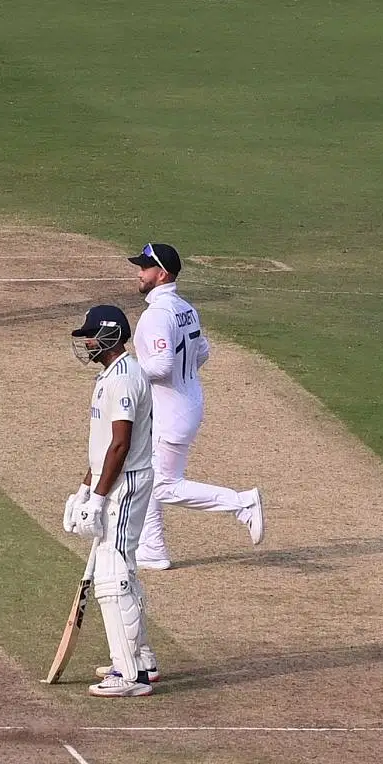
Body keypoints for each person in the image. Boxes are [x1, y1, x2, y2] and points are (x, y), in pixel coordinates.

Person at [127, 242, 265, 569]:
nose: (139, 272)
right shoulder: (186, 308)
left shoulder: (156, 315)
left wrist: (127, 374)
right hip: (183, 402)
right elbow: (202, 351)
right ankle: (153, 548)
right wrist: (184, 377)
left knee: (163, 485)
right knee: (147, 473)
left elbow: (160, 366)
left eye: (144, 268)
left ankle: (241, 504)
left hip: (171, 412)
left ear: (161, 274)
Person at [64, 305, 159, 696]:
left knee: (113, 576)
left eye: (90, 334)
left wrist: (99, 499)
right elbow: (103, 447)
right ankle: (142, 660)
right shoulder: (110, 376)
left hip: (126, 484)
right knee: (120, 571)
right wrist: (84, 490)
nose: (86, 341)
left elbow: (120, 446)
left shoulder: (124, 379)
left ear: (108, 335)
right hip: (114, 482)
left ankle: (129, 674)